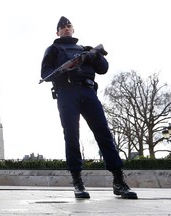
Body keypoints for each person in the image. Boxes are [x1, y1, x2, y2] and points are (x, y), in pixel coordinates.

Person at [40, 16, 137, 199]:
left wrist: (95, 55)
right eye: (62, 27)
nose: (66, 29)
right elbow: (45, 74)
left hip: (88, 91)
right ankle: (77, 182)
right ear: (57, 32)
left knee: (104, 133)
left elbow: (103, 68)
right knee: (71, 135)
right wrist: (66, 69)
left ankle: (118, 181)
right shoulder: (53, 50)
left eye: (68, 26)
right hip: (67, 92)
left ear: (73, 29)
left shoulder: (85, 49)